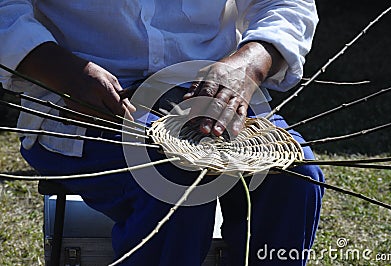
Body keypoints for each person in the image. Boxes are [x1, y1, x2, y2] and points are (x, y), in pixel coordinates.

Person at [0, 1, 324, 265]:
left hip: (210, 92)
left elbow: (285, 4)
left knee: (294, 175)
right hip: (84, 102)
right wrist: (64, 72)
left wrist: (248, 65)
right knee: (173, 182)